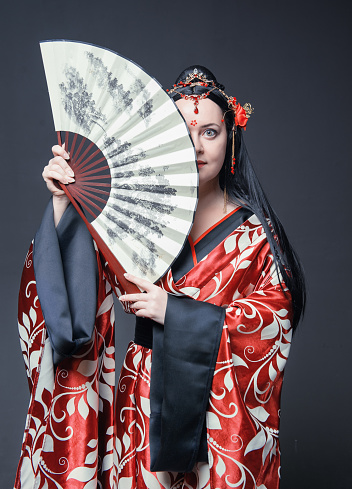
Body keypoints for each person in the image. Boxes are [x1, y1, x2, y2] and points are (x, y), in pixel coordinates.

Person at [15, 66, 305, 489]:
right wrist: (64, 204)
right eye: (182, 132)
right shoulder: (138, 219)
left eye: (210, 132)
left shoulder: (255, 235)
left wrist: (177, 312)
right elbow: (77, 298)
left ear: (231, 138)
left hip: (215, 407)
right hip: (143, 399)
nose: (197, 146)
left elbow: (272, 321)